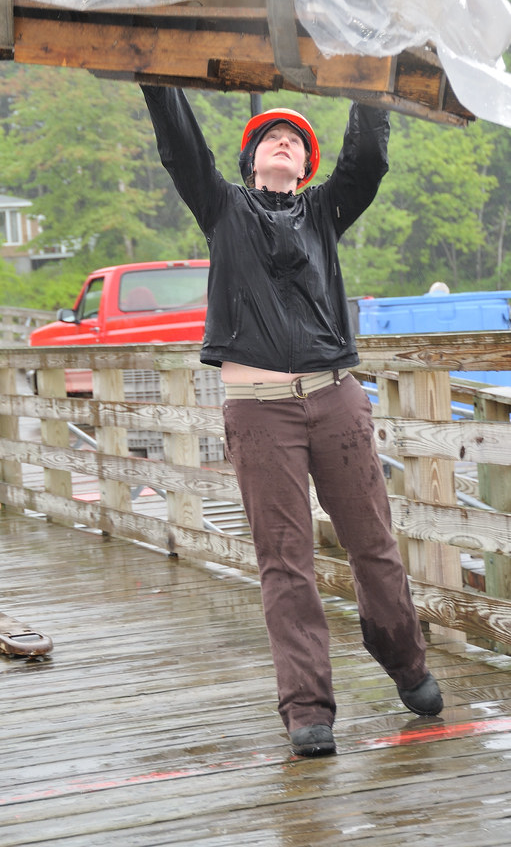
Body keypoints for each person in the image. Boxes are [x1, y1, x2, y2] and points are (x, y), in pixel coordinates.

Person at [141, 84, 443, 758]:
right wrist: (154, 79)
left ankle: (406, 662)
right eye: (271, 137)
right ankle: (307, 707)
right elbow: (181, 148)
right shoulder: (222, 208)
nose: (284, 142)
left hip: (336, 400)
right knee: (285, 561)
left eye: (296, 141)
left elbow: (366, 162)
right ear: (250, 160)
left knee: (373, 544)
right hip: (258, 412)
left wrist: (371, 87)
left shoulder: (323, 212)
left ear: (305, 165)